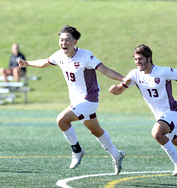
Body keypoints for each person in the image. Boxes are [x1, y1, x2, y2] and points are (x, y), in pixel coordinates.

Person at [19, 25, 126, 175]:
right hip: (76, 102)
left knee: (61, 120)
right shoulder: (59, 55)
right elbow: (43, 62)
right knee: (96, 131)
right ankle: (116, 154)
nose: (64, 43)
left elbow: (105, 70)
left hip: (89, 99)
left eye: (67, 40)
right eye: (61, 40)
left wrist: (124, 79)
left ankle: (77, 151)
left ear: (75, 42)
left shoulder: (86, 56)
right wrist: (27, 63)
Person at [109, 44, 177, 176]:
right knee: (171, 140)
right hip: (161, 117)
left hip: (173, 112)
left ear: (149, 58)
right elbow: (120, 90)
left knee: (157, 133)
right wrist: (115, 89)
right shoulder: (134, 74)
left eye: (140, 59)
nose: (137, 62)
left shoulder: (163, 71)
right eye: (135, 59)